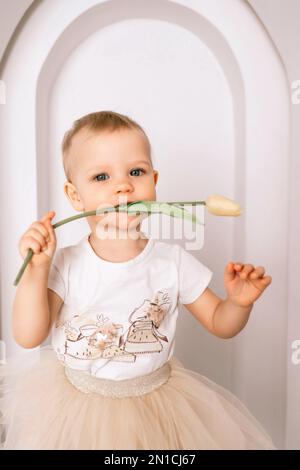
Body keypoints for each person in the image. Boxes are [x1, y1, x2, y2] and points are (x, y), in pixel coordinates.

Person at [1, 111, 276, 450]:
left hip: (155, 409)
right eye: (101, 176)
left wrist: (237, 303)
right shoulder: (67, 262)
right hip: (77, 413)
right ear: (75, 196)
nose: (123, 185)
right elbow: (29, 336)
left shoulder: (171, 261)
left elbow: (221, 324)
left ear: (154, 181)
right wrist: (36, 270)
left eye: (136, 172)